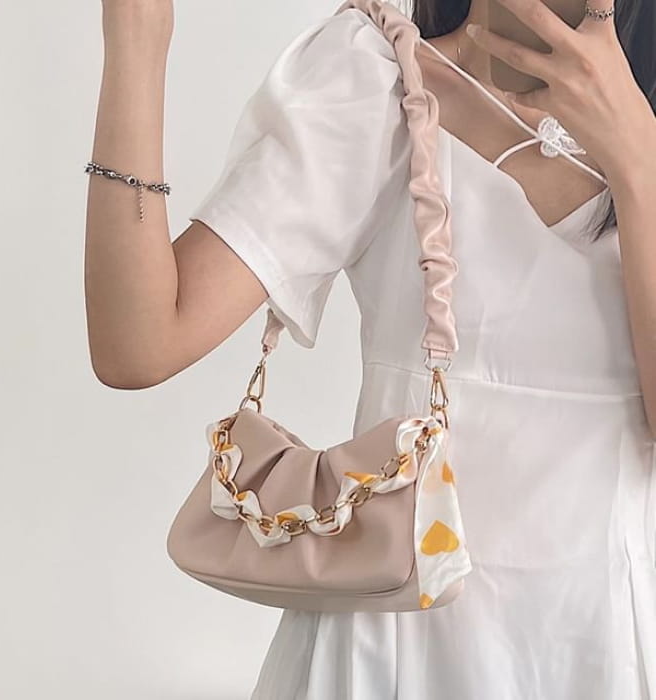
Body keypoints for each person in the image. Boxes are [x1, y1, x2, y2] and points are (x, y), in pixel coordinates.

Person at [84, 0, 656, 697]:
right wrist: (138, 34)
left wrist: (638, 160)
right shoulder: (376, 77)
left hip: (605, 641)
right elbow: (138, 345)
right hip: (395, 642)